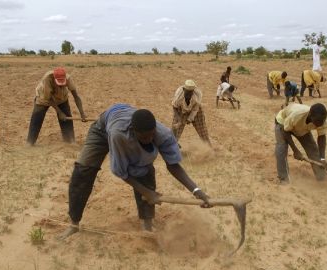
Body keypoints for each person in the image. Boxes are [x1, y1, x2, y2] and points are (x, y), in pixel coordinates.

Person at [60, 104, 212, 238]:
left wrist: (196, 190)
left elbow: (173, 165)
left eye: (152, 135)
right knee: (83, 170)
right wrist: (147, 193)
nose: (149, 139)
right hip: (103, 129)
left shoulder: (163, 134)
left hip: (123, 121)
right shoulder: (119, 134)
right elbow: (120, 171)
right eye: (144, 137)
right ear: (133, 131)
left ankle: (147, 223)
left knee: (144, 169)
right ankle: (74, 224)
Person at [27, 67, 87, 145]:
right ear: (54, 79)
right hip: (43, 98)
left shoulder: (68, 79)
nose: (61, 86)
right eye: (59, 83)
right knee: (37, 117)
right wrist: (59, 112)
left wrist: (82, 113)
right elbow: (49, 98)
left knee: (66, 118)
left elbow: (76, 96)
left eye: (63, 84)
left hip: (62, 97)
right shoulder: (47, 79)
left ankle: (69, 141)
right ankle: (30, 142)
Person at [274, 103, 327, 185]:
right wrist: (295, 150)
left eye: (321, 122)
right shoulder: (297, 116)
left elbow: (321, 137)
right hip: (283, 123)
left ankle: (321, 177)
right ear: (310, 115)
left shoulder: (322, 120)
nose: (319, 124)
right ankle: (284, 179)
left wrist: (322, 158)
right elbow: (285, 131)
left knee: (313, 149)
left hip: (300, 128)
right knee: (281, 148)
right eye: (317, 122)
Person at [171, 80, 211, 145]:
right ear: (184, 89)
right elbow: (174, 107)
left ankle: (209, 148)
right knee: (175, 129)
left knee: (203, 131)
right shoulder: (178, 96)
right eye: (187, 92)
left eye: (191, 92)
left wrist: (190, 118)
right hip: (180, 110)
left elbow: (195, 109)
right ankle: (173, 146)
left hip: (196, 111)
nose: (189, 95)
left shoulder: (197, 95)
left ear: (193, 91)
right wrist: (178, 119)